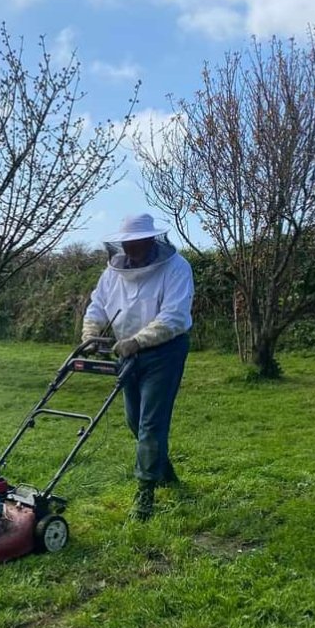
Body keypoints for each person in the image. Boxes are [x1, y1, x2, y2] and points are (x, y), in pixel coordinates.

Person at [81, 214, 194, 521]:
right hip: (126, 353)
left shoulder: (176, 268)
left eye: (138, 242)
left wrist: (138, 341)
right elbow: (98, 305)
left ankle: (144, 493)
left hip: (165, 352)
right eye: (127, 243)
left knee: (151, 424)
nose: (132, 248)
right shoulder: (112, 272)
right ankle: (164, 471)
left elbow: (174, 316)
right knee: (135, 420)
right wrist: (91, 333)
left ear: (151, 240)